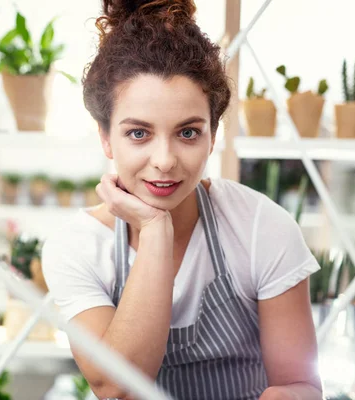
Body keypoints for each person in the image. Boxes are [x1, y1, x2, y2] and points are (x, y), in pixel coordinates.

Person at [41, 1, 322, 399]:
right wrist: (155, 228)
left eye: (188, 133)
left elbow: (299, 385)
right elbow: (117, 388)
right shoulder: (76, 247)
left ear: (213, 132)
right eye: (139, 133)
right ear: (106, 137)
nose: (165, 161)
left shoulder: (261, 227)